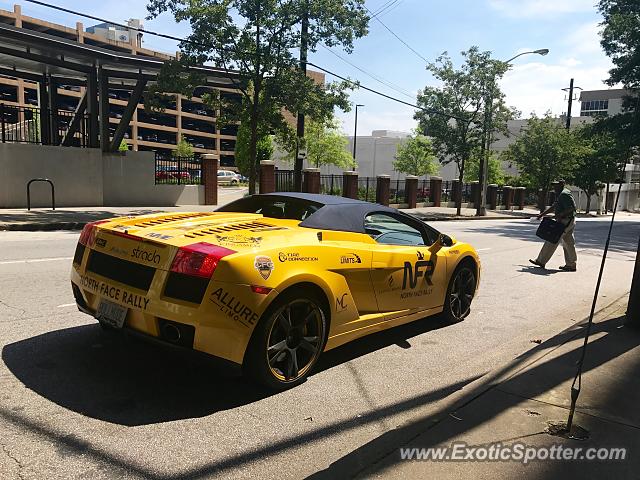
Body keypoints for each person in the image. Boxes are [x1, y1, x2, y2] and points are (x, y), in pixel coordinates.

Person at [529, 179, 577, 271]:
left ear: (562, 185)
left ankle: (541, 261)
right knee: (569, 242)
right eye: (554, 185)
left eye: (556, 185)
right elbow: (554, 206)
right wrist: (542, 215)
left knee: (552, 239)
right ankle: (571, 264)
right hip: (568, 220)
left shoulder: (564, 194)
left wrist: (558, 216)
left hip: (566, 220)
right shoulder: (560, 193)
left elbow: (571, 208)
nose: (554, 187)